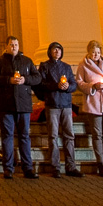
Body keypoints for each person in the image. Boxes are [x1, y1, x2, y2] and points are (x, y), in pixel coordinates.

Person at [0, 35, 41, 179]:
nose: (14, 47)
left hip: (23, 105)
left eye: (16, 44)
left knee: (24, 136)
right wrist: (8, 80)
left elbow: (37, 78)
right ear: (6, 46)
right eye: (11, 44)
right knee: (7, 137)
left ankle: (28, 168)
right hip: (6, 104)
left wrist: (26, 79)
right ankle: (8, 168)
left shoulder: (27, 61)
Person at [37, 41, 82, 177]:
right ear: (50, 52)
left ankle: (71, 166)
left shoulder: (67, 67)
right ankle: (55, 167)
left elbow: (74, 84)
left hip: (66, 105)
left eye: (59, 50)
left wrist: (67, 86)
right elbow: (41, 84)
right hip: (52, 105)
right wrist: (56, 86)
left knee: (69, 136)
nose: (57, 52)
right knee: (53, 137)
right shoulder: (45, 66)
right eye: (54, 49)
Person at [75, 40, 103, 178]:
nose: (96, 55)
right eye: (93, 52)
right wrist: (92, 87)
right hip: (94, 103)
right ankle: (101, 163)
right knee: (97, 134)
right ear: (89, 52)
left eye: (98, 52)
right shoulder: (83, 65)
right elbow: (79, 82)